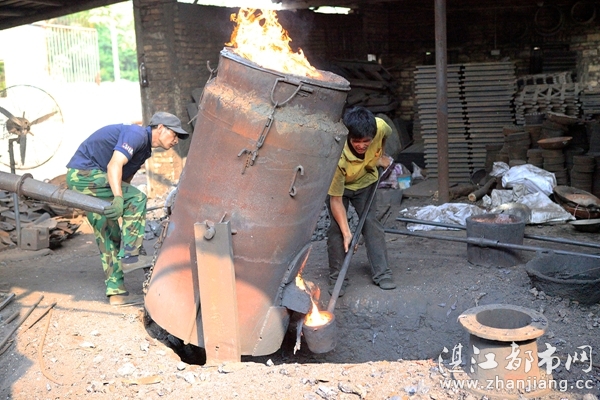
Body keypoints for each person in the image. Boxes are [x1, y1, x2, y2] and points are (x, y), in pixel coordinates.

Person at [66, 112, 189, 306]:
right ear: (160, 128)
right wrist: (118, 198)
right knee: (138, 197)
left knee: (108, 232)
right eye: (174, 134)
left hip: (93, 179)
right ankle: (131, 255)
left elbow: (125, 178)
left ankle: (116, 293)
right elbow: (114, 165)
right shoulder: (136, 135)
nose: (176, 140)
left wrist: (124, 207)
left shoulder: (145, 150)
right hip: (83, 175)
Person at [326, 106, 396, 297]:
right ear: (349, 136)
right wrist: (347, 233)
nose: (361, 145)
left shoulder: (380, 127)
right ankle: (337, 279)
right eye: (356, 141)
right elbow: (336, 200)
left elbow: (385, 136)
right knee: (337, 230)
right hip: (340, 187)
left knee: (371, 224)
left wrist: (379, 156)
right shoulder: (337, 155)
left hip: (365, 182)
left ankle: (382, 273)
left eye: (366, 141)